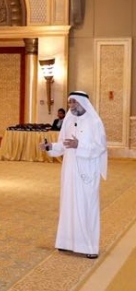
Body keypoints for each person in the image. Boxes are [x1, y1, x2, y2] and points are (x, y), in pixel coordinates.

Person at [40, 91, 107, 259]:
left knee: (87, 206)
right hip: (69, 171)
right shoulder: (68, 121)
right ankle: (66, 242)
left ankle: (90, 247)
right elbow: (63, 145)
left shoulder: (94, 122)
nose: (71, 106)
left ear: (83, 103)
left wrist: (80, 145)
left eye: (74, 102)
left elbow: (100, 147)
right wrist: (50, 147)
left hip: (87, 171)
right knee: (68, 204)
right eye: (70, 102)